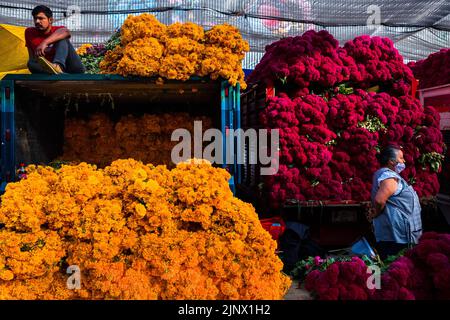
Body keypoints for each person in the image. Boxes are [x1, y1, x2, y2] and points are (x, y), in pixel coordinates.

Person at [370, 145, 422, 260]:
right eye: (401, 158)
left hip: (397, 234)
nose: (404, 161)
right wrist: (377, 213)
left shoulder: (388, 175)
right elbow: (379, 200)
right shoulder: (389, 177)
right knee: (394, 265)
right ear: (391, 161)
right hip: (395, 237)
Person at [25, 5, 85, 74]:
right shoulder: (29, 32)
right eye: (35, 18)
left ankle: (58, 66)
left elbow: (66, 31)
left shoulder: (58, 30)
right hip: (49, 70)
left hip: (73, 69)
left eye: (41, 18)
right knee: (31, 63)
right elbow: (32, 56)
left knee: (62, 39)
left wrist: (44, 43)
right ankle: (58, 73)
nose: (37, 21)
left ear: (50, 20)